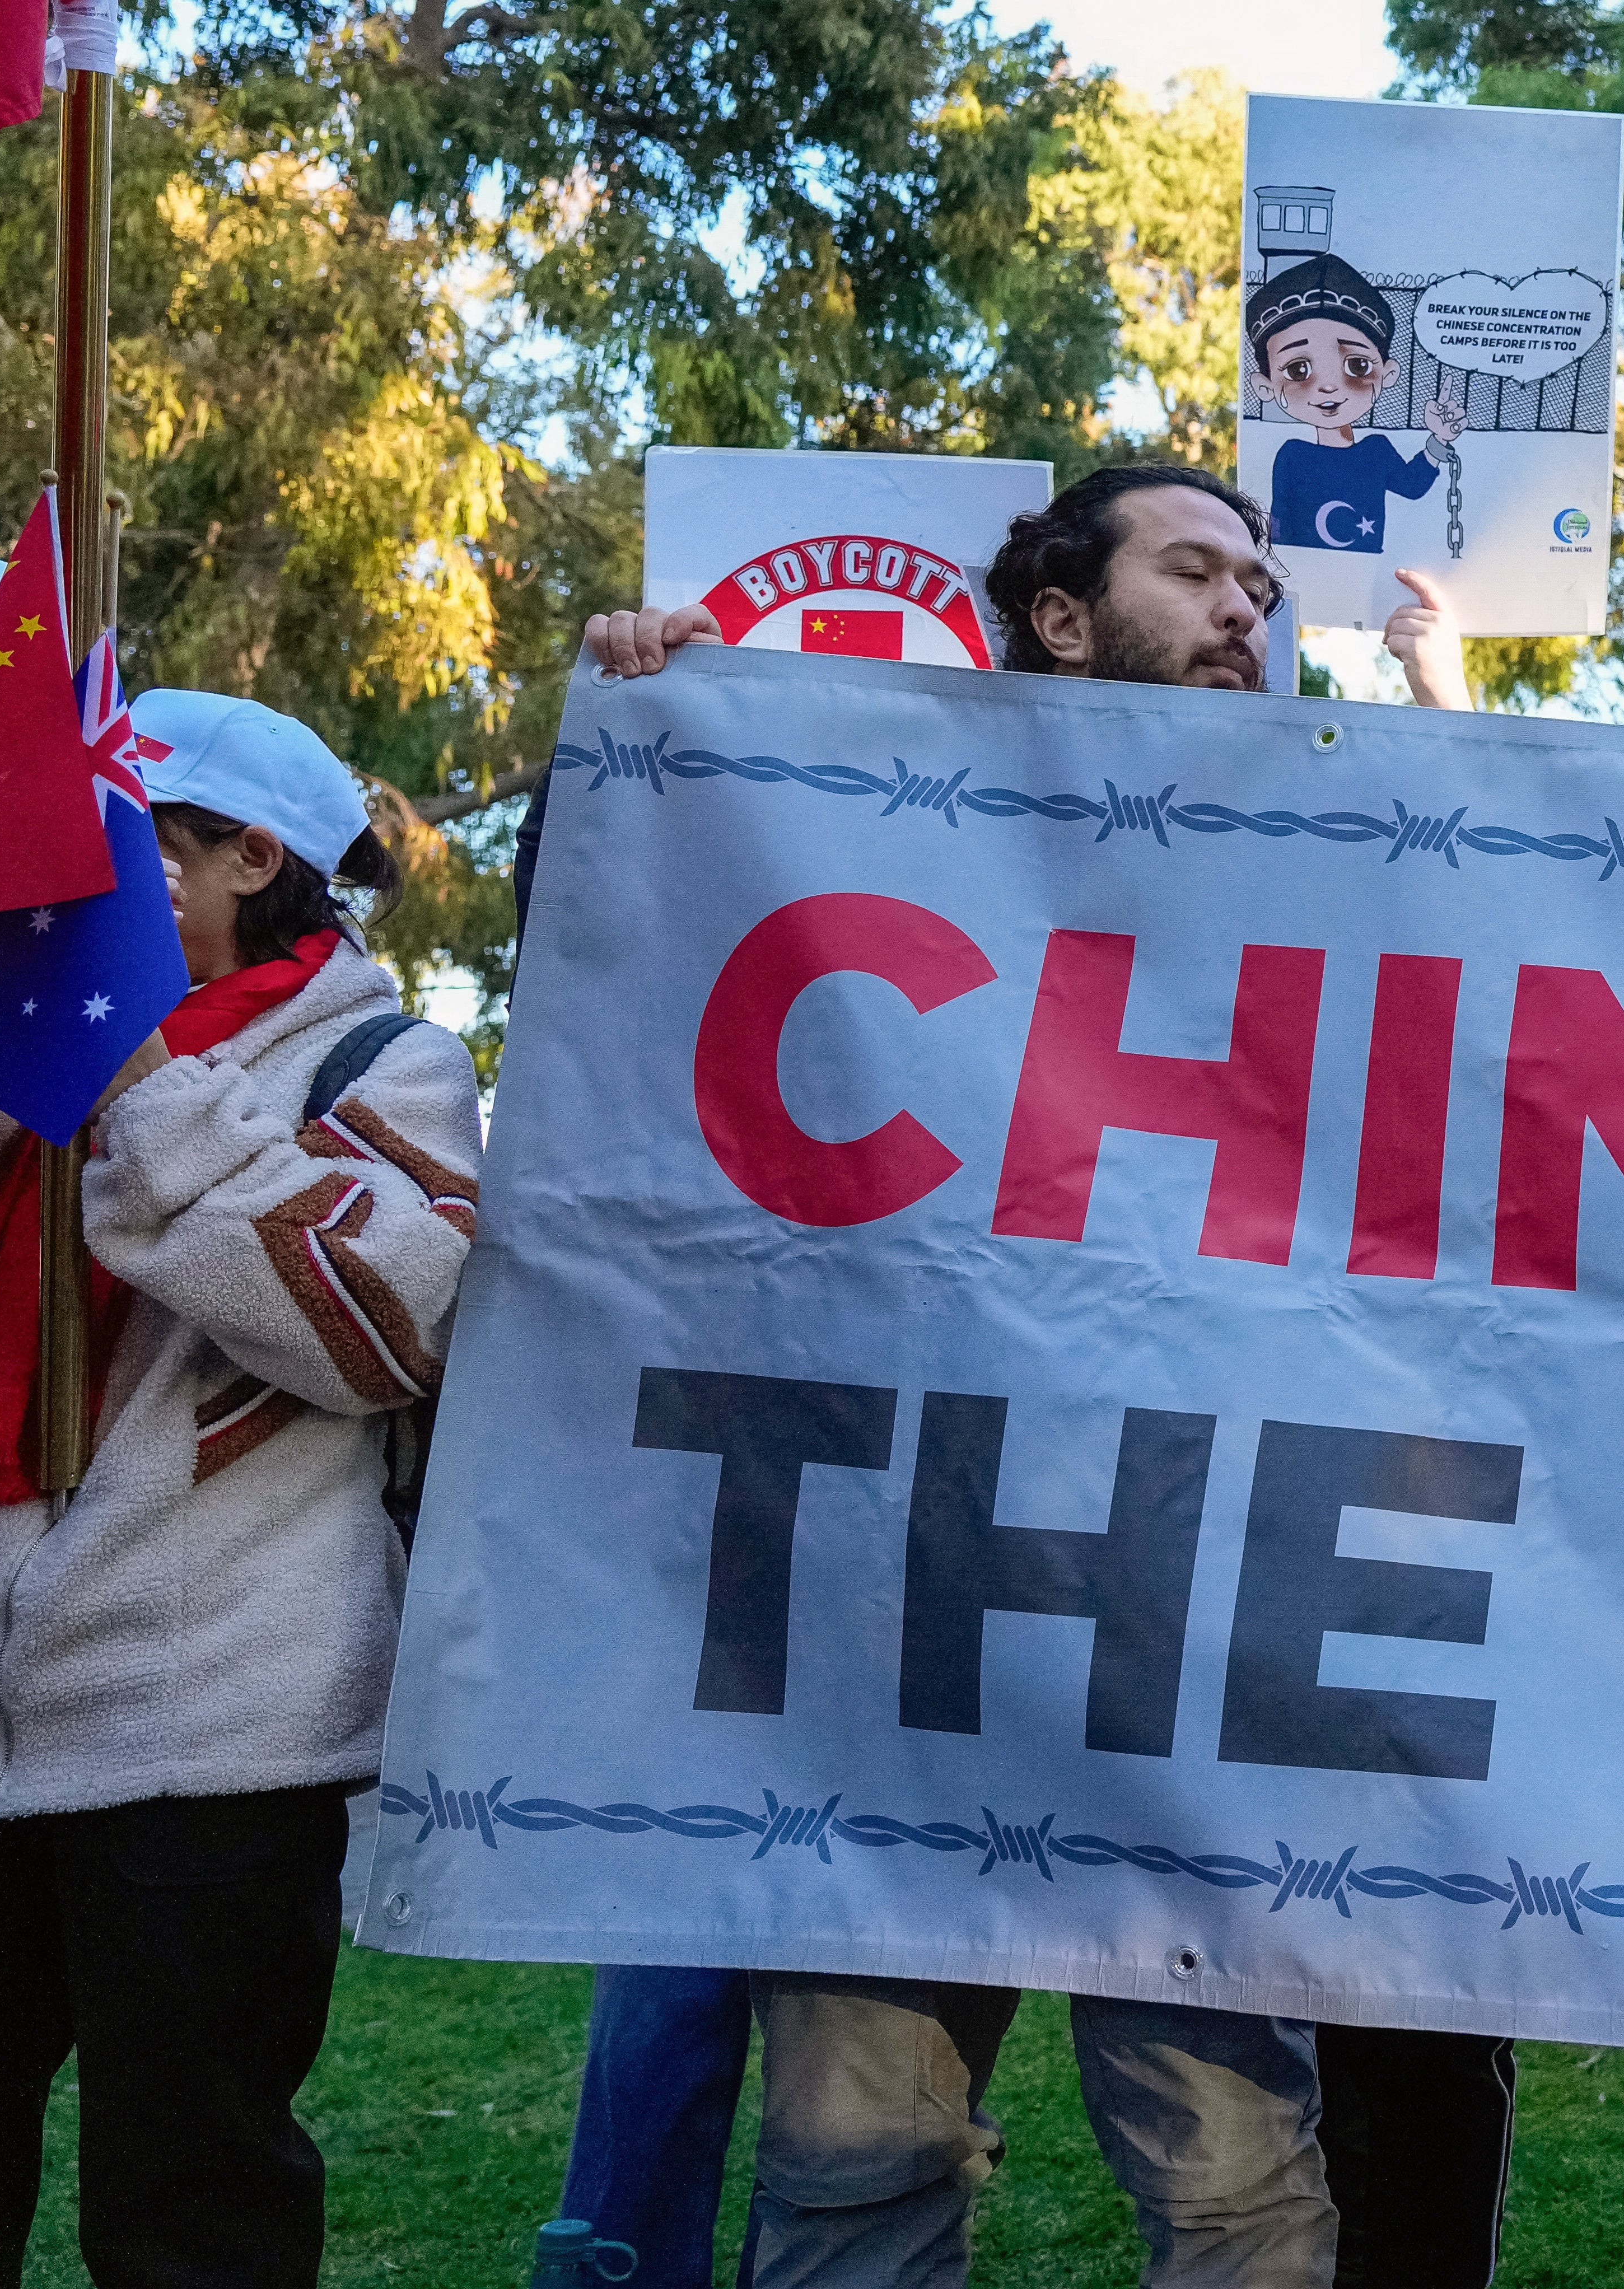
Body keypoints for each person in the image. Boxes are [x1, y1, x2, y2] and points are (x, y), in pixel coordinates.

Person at [572, 466, 1362, 2289]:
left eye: (1260, 580)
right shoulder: (860, 827)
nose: (1247, 605)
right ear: (1067, 616)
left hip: (1186, 1642)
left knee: (1238, 2181)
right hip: (888, 1626)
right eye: (1197, 570)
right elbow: (628, 1010)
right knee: (861, 2164)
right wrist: (642, 747)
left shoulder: (1343, 862)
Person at [0, 692, 479, 2289]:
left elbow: (374, 1329)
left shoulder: (392, 1063)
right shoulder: (5, 1033)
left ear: (254, 856)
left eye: (118, 863)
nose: (68, 905)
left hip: (209, 1749)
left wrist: (138, 1075)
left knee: (195, 2209)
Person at [1248, 253, 1466, 558]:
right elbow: (1280, 521)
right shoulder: (1292, 456)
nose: (1329, 387)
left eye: (1358, 366)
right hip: (1306, 575)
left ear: (1387, 374)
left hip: (1366, 578)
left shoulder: (1376, 452)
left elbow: (1412, 486)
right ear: (1266, 386)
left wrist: (1439, 440)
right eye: (1299, 370)